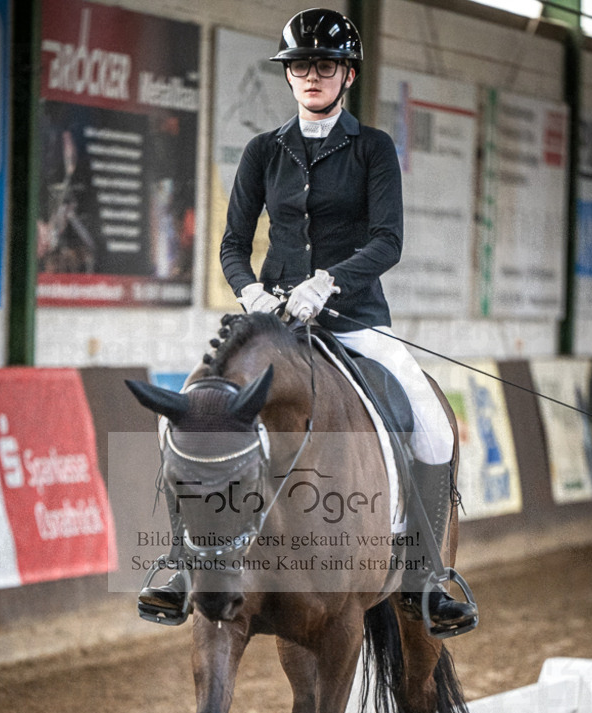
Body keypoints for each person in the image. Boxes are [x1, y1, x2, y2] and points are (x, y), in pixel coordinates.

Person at [139, 7, 476, 632]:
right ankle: (184, 559)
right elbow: (232, 245)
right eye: (299, 67)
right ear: (289, 77)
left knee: (431, 425)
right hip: (275, 327)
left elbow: (388, 240)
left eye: (323, 66)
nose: (310, 77)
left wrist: (329, 281)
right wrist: (253, 293)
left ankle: (427, 575)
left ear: (347, 74)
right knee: (187, 412)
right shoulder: (263, 151)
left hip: (355, 321)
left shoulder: (373, 148)